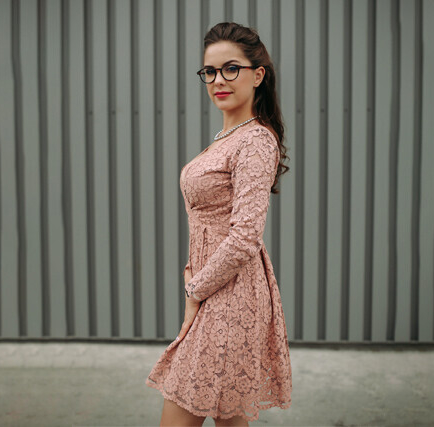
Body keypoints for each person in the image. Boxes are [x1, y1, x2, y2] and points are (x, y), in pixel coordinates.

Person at [145, 22, 292, 427]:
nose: (218, 81)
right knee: (229, 419)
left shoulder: (255, 141)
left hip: (231, 297)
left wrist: (195, 289)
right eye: (209, 71)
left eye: (231, 69)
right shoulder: (226, 138)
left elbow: (245, 236)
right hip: (215, 291)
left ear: (257, 75)